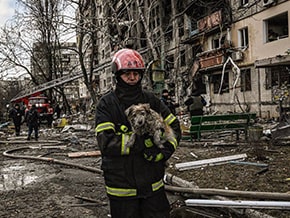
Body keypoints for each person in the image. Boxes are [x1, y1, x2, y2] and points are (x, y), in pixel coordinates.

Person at [95, 48, 181, 218]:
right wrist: (140, 143)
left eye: (136, 73)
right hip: (122, 189)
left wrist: (163, 152)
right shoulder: (106, 104)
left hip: (152, 187)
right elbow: (106, 143)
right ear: (118, 74)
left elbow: (175, 129)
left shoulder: (152, 101)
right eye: (127, 73)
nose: (133, 77)